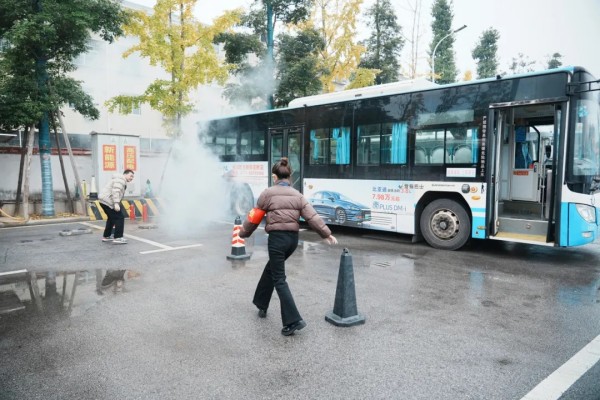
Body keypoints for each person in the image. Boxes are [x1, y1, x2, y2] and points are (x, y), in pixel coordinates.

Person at [239, 158, 337, 336]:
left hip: (277, 240)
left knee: (279, 279)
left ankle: (293, 321)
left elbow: (254, 218)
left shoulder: (267, 194)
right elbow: (312, 217)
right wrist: (326, 234)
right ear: (290, 176)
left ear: (274, 176)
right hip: (292, 241)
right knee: (271, 269)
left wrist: (243, 234)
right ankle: (261, 303)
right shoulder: (297, 195)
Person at [98, 169, 134, 244]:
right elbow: (115, 191)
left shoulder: (119, 179)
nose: (131, 178)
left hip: (104, 201)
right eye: (131, 176)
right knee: (119, 217)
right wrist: (116, 203)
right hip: (108, 201)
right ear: (125, 174)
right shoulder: (120, 180)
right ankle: (118, 237)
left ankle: (107, 236)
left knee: (111, 218)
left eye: (133, 177)